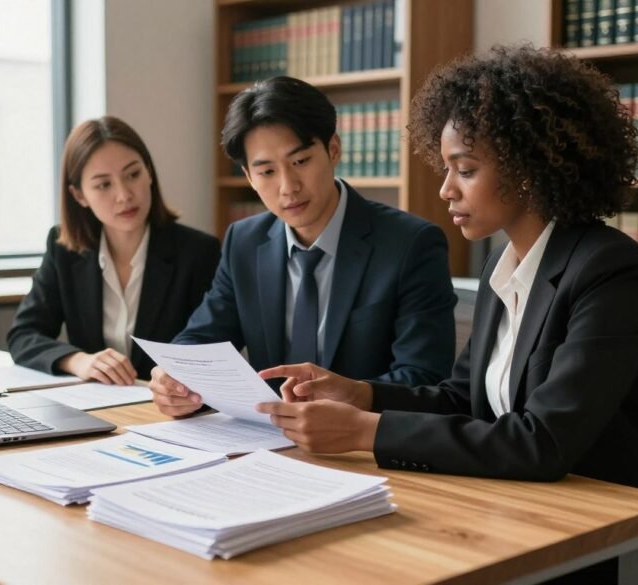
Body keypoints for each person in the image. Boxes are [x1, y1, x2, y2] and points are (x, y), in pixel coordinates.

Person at [255, 46, 638, 584]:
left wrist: (367, 431)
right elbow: (465, 399)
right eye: (447, 168)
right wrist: (360, 394)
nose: (445, 189)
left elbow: (541, 442)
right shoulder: (503, 266)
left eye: (467, 170)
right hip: (527, 512)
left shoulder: (609, 269)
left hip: (619, 541)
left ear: (528, 167)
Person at [149, 76, 458, 417]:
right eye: (266, 171)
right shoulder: (244, 242)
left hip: (363, 446)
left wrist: (352, 398)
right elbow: (200, 341)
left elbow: (426, 380)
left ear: (333, 149)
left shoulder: (410, 244)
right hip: (270, 444)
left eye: (300, 162)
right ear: (249, 178)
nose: (288, 187)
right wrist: (174, 380)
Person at [8, 116, 220, 383]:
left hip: (168, 411)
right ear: (79, 195)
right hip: (96, 406)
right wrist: (78, 361)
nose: (124, 195)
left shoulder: (198, 252)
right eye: (103, 184)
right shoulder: (64, 249)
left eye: (133, 174)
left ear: (149, 173)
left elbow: (211, 347)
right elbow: (23, 334)